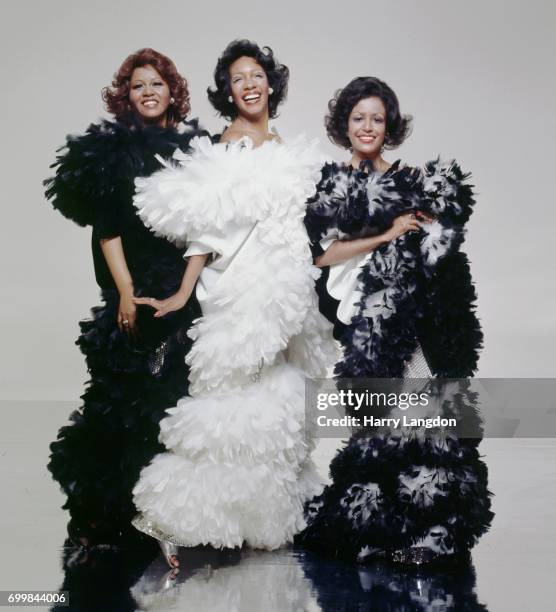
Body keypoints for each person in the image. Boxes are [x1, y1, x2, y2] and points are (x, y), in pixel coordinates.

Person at [130, 39, 335, 568]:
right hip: (239, 289)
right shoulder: (225, 145)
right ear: (228, 91)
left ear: (271, 83)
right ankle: (185, 517)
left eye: (256, 74)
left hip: (286, 287)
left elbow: (300, 228)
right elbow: (206, 228)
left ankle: (255, 517)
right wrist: (181, 291)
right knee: (230, 407)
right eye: (237, 78)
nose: (248, 84)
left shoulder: (286, 146)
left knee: (275, 405)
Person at [296, 76, 492, 564]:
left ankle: (435, 530)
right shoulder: (331, 187)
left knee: (428, 415)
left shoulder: (409, 183)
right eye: (358, 117)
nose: (368, 127)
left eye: (377, 119)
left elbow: (439, 253)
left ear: (390, 127)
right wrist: (385, 235)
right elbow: (322, 257)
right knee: (377, 425)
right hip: (362, 325)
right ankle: (384, 529)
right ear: (344, 123)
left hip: (410, 318)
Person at [45, 48, 207, 548]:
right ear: (126, 95)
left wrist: (185, 290)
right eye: (138, 85)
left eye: (157, 83)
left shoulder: (193, 148)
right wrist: (124, 292)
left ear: (172, 90)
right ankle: (113, 513)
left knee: (176, 403)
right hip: (130, 286)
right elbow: (108, 230)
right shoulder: (111, 152)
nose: (149, 92)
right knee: (118, 403)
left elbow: (207, 229)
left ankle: (169, 518)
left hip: (182, 291)